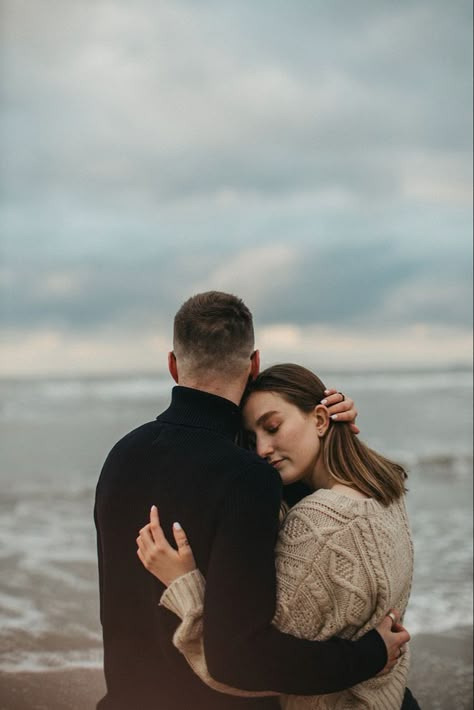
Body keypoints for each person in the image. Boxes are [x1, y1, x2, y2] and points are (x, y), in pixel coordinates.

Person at [95, 291, 409, 710]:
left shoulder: (120, 456)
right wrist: (370, 656)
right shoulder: (246, 476)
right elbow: (240, 659)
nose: (264, 447)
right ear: (254, 363)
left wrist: (330, 437)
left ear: (172, 364)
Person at [137, 363, 418, 709]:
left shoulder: (318, 524)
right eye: (252, 439)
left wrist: (183, 583)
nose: (262, 450)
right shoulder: (386, 492)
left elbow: (240, 666)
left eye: (273, 427)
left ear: (319, 419)